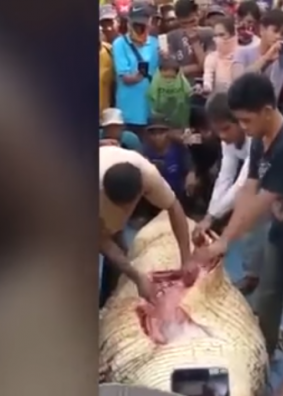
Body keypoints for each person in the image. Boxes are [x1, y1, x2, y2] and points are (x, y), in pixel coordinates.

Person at [194, 74, 283, 396]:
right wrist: (222, 231)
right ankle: (265, 351)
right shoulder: (260, 140)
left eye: (247, 120)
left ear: (267, 110)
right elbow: (248, 191)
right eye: (239, 120)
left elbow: (260, 205)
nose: (243, 128)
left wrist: (224, 242)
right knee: (269, 293)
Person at [99, 145, 191, 306]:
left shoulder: (149, 175)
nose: (124, 211)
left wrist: (186, 259)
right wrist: (137, 277)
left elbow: (174, 207)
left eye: (128, 207)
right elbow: (101, 241)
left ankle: (114, 287)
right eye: (119, 207)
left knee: (118, 240)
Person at [193, 92, 265, 295]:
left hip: (281, 181)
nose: (223, 136)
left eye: (226, 128)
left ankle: (267, 277)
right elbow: (225, 176)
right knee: (250, 223)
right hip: (255, 181)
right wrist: (210, 215)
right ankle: (253, 274)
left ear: (241, 122)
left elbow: (243, 183)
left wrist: (213, 217)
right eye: (218, 131)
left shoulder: (257, 138)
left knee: (261, 224)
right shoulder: (227, 141)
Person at [112, 3, 159, 138]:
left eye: (143, 24)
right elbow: (126, 78)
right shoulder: (119, 44)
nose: (139, 28)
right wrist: (140, 74)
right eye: (136, 24)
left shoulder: (155, 43)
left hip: (152, 110)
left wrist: (166, 58)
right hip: (129, 111)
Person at [142, 115, 197, 204]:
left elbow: (190, 166)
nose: (157, 137)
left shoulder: (179, 148)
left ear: (168, 133)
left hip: (178, 195)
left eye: (161, 133)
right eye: (153, 134)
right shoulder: (145, 151)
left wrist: (191, 173)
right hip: (154, 198)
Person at [167, 0, 215, 85]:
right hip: (181, 86)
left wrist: (195, 41)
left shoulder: (209, 33)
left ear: (198, 14)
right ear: (178, 20)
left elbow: (206, 66)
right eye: (184, 23)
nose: (189, 26)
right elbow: (171, 72)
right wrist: (197, 67)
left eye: (192, 21)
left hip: (205, 85)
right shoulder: (171, 37)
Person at [147, 55, 192, 130]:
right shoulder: (156, 81)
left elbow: (188, 92)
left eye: (171, 77)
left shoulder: (181, 80)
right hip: (160, 115)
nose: (168, 80)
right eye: (165, 77)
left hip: (178, 115)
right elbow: (151, 95)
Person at [202, 16, 238, 93]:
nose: (218, 39)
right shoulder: (211, 58)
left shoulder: (242, 54)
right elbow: (208, 77)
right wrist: (207, 87)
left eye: (222, 35)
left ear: (232, 35)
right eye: (216, 35)